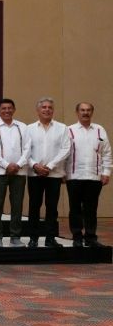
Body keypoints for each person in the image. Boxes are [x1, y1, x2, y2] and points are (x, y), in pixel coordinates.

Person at [25, 97, 70, 248]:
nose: (47, 109)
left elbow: (66, 149)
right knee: (34, 206)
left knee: (52, 208)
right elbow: (25, 151)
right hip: (34, 173)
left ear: (53, 110)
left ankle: (50, 238)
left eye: (50, 107)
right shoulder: (29, 129)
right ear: (38, 110)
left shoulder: (62, 128)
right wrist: (35, 165)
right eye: (43, 107)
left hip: (54, 174)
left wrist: (49, 166)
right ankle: (33, 239)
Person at [66, 102, 112, 248]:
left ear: (92, 112)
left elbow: (107, 153)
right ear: (77, 112)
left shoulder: (100, 130)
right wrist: (62, 173)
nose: (85, 113)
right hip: (74, 176)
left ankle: (91, 237)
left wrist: (106, 172)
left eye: (88, 110)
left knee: (91, 209)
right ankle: (77, 237)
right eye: (82, 110)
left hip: (94, 176)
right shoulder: (69, 130)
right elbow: (64, 153)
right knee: (75, 209)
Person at [0, 98, 30, 247]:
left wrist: (18, 164)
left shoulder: (22, 127)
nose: (7, 111)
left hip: (19, 172)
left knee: (17, 205)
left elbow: (28, 149)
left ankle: (15, 237)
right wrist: (6, 165)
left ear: (14, 109)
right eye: (3, 108)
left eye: (10, 108)